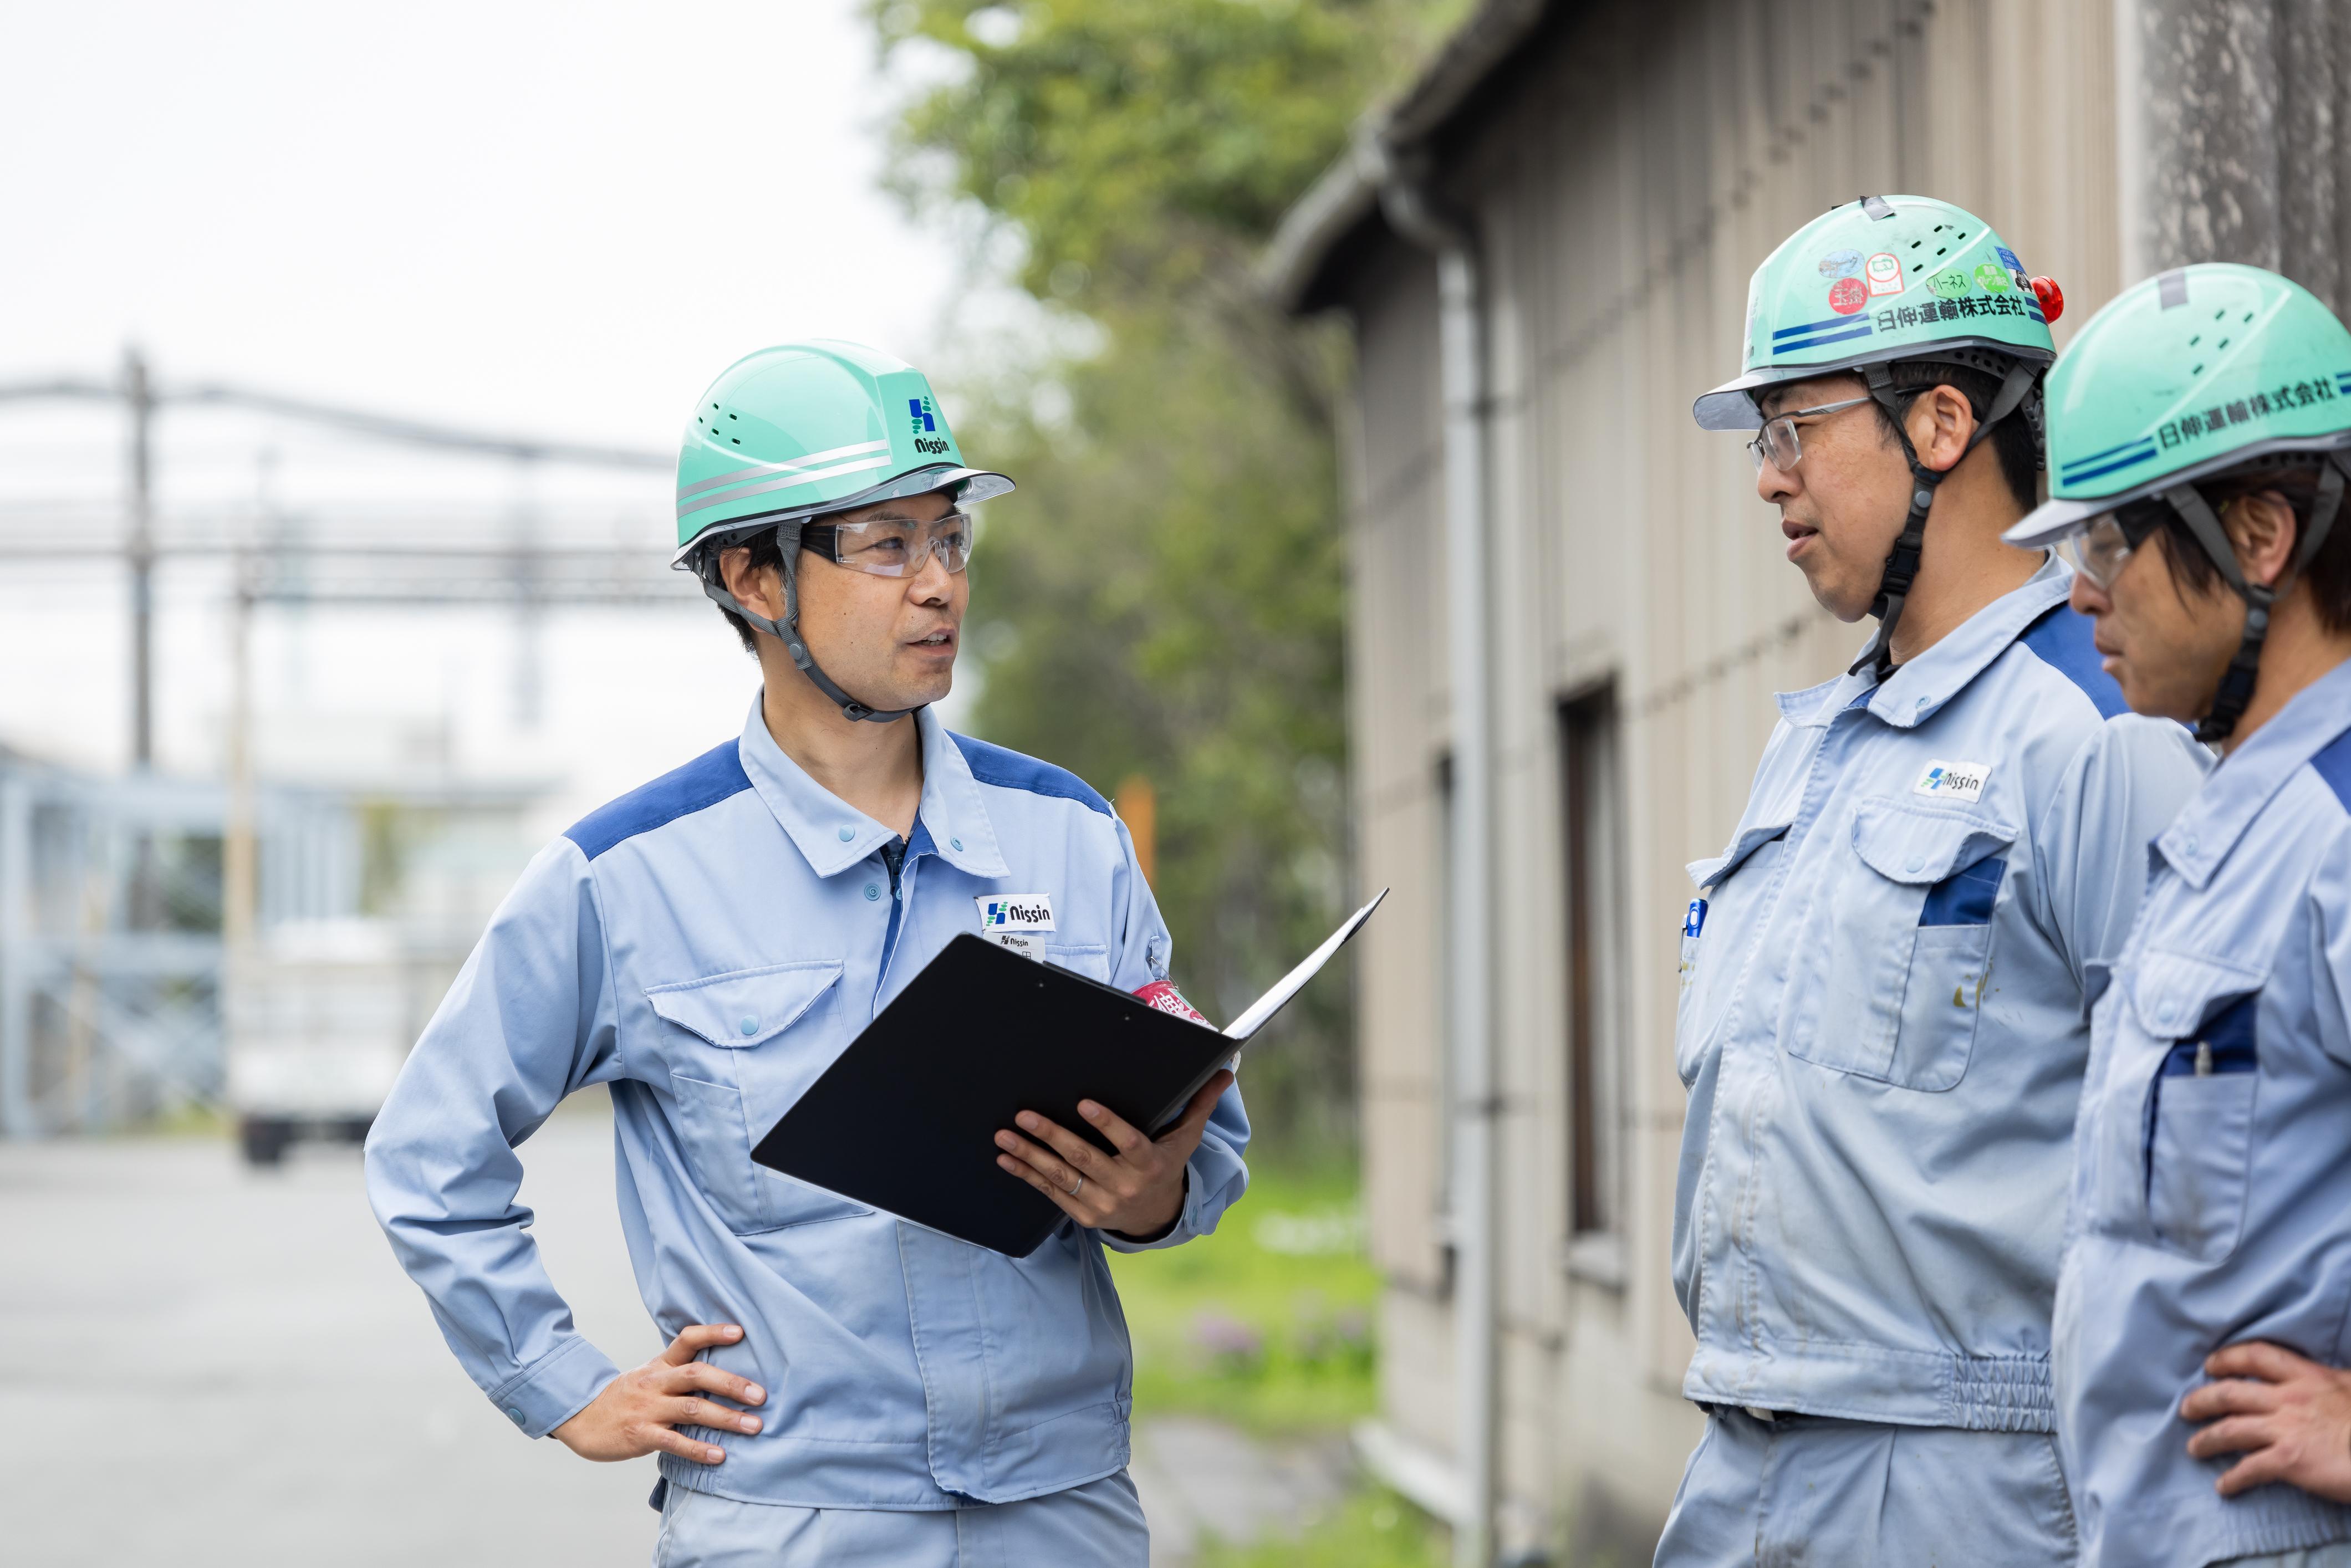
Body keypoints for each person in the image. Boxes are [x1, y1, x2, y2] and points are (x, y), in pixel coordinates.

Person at [364, 340, 1248, 1566]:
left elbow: (1207, 1136)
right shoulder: (627, 878)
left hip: (1063, 1516)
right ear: (754, 577)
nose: (940, 583)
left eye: (951, 539)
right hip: (789, 1525)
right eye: (889, 546)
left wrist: (1152, 1196)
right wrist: (560, 1382)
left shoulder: (1068, 835)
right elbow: (428, 1147)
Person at [1656, 197, 2210, 1566]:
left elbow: (2228, 1149)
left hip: (1976, 1481)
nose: (1770, 477)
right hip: (1747, 1452)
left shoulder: (2099, 730)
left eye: (1797, 428)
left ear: (1945, 424)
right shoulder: (1816, 749)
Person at [2007, 263, 2351, 1568]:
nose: (2080, 590)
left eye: (2109, 540)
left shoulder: (2336, 829)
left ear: (2259, 537)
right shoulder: (2233, 823)